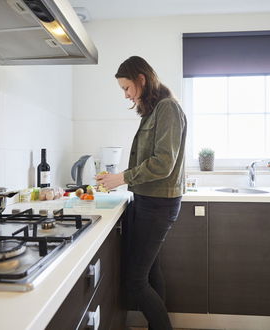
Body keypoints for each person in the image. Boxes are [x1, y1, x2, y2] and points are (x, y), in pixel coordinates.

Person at [96, 56, 187, 330]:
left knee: (135, 281)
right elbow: (149, 161)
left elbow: (162, 162)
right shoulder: (153, 110)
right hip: (148, 201)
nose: (125, 94)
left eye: (127, 88)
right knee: (150, 272)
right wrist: (117, 178)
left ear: (141, 80)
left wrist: (121, 177)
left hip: (158, 205)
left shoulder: (167, 108)